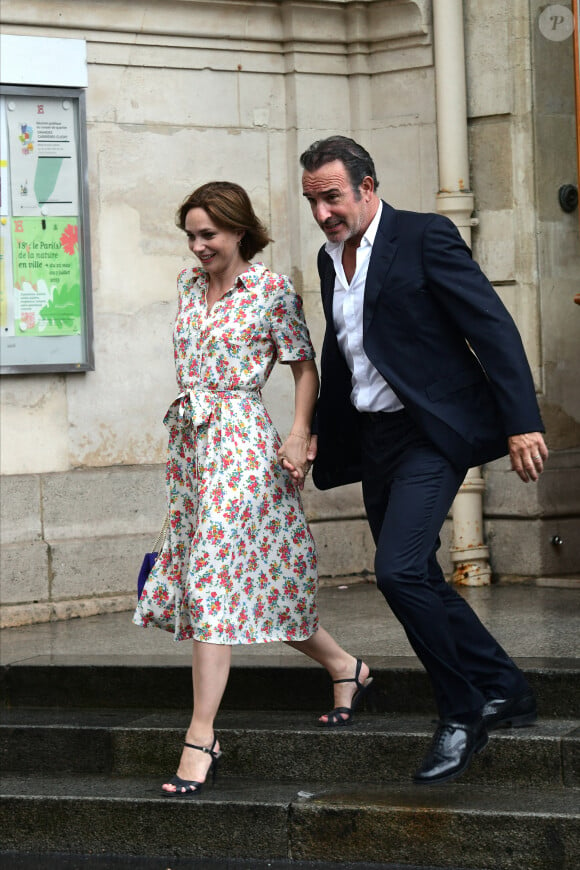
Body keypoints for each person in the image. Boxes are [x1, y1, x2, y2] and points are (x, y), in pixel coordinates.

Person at [298, 136, 549, 786]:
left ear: (367, 187)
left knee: (399, 571)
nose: (324, 211)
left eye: (332, 196)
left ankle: (463, 713)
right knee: (421, 577)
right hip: (377, 438)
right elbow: (343, 347)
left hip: (432, 432)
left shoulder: (424, 237)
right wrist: (323, 427)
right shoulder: (331, 260)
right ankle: (504, 686)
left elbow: (490, 324)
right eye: (313, 201)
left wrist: (522, 421)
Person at [133, 181, 373, 798]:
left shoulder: (270, 291)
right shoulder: (189, 287)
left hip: (243, 447)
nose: (198, 246)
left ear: (240, 231)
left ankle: (201, 733)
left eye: (209, 234)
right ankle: (347, 667)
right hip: (192, 446)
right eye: (191, 235)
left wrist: (299, 434)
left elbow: (304, 367)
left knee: (213, 579)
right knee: (258, 581)